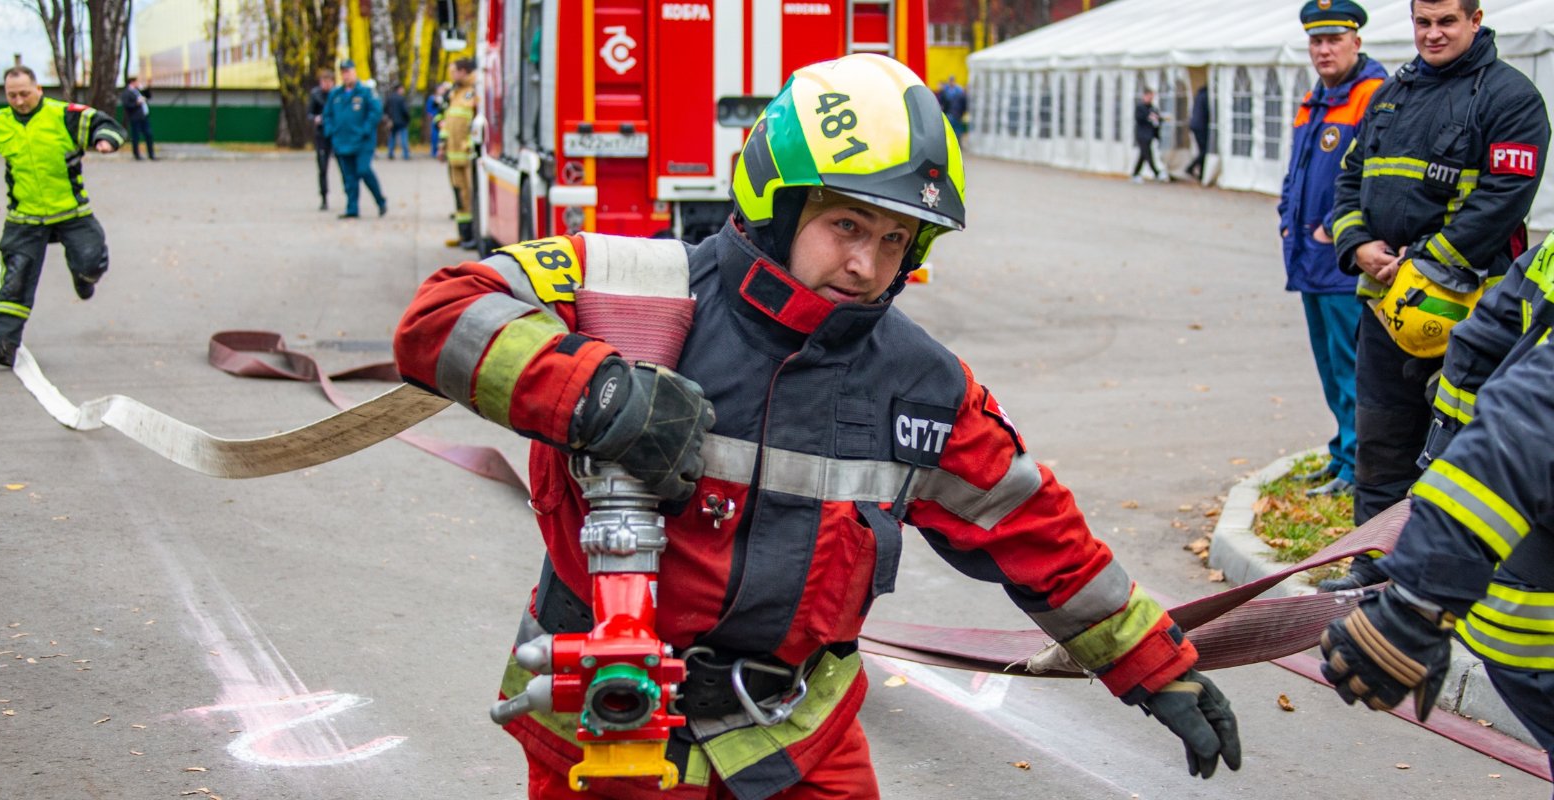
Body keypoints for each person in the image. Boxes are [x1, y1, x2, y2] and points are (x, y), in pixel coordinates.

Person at [392, 53, 1241, 799]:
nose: (867, 265)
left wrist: (1154, 666)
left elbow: (1031, 525)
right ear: (779, 200)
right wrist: (592, 388)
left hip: (792, 737)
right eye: (845, 224)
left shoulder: (922, 389)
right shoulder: (629, 291)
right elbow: (439, 319)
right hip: (611, 724)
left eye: (894, 238)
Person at [1323, 0, 1548, 590]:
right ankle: (1372, 565)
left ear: (1475, 21)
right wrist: (1359, 246)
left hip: (1471, 315)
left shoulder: (1511, 98)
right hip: (1384, 305)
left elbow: (1504, 200)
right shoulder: (1392, 95)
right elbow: (1348, 180)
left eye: (1447, 21)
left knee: (1456, 449)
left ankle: (1439, 577)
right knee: (1381, 438)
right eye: (1423, 22)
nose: (1433, 33)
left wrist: (1423, 268)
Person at [1319, 230, 1554, 780]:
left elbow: (1482, 354)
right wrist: (1418, 594)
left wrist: (1428, 509)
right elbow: (1531, 421)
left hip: (1518, 605)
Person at [1276, 0, 1388, 499]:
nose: (1323, 50)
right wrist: (1286, 221)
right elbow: (1296, 173)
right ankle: (1342, 452)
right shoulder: (1313, 98)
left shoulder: (1372, 96)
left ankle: (1358, 465)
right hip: (1308, 259)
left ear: (1355, 42)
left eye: (1333, 40)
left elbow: (1374, 177)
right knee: (1328, 363)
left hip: (1341, 259)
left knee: (1352, 366)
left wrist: (1332, 229)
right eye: (1316, 41)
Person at [0, 65, 125, 367]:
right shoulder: (0, 123)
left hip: (71, 212)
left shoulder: (63, 115)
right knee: (15, 277)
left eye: (24, 94)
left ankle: (84, 279)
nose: (18, 101)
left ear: (38, 90)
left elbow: (103, 122)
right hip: (25, 218)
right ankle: (2, 340)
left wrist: (106, 140)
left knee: (91, 259)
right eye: (12, 95)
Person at [323, 59, 388, 219]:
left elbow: (376, 112)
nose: (346, 75)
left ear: (354, 72)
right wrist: (331, 131)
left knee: (363, 170)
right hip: (342, 141)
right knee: (348, 177)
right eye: (343, 72)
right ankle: (352, 208)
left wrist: (365, 129)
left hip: (362, 142)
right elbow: (327, 115)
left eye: (348, 72)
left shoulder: (365, 92)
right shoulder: (335, 94)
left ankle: (380, 200)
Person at [438, 57, 477, 250]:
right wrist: (442, 145)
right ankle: (464, 235)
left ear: (464, 71)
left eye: (454, 71)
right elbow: (448, 120)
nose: (452, 76)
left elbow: (478, 120)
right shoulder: (455, 93)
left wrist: (471, 145)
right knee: (460, 195)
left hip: (468, 155)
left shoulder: (474, 91)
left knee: (470, 194)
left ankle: (472, 235)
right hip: (453, 155)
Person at [308, 69, 336, 211]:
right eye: (323, 82)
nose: (325, 85)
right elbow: (309, 114)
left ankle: (351, 197)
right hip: (321, 135)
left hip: (336, 135)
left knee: (345, 167)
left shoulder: (337, 94)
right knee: (322, 167)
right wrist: (315, 118)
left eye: (328, 82)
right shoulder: (316, 95)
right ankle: (324, 197)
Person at [1131, 87, 1167, 183]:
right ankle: (1157, 173)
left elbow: (1157, 119)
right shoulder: (1140, 107)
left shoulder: (1153, 108)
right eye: (1149, 96)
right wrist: (1149, 117)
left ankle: (1135, 174)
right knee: (1148, 155)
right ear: (1145, 96)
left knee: (1143, 155)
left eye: (1152, 97)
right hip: (1142, 135)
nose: (1150, 98)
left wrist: (1160, 119)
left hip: (1150, 134)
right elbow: (1139, 119)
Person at [119, 75, 155, 161]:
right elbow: (127, 105)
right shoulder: (127, 93)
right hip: (135, 117)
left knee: (149, 134)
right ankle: (137, 155)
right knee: (136, 136)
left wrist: (145, 88)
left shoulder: (138, 91)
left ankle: (151, 154)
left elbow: (148, 96)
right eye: (136, 82)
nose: (138, 83)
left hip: (144, 116)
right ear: (132, 82)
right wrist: (136, 103)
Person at [1184, 84, 1209, 181]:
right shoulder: (1205, 96)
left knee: (1202, 150)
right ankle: (1191, 167)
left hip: (1195, 125)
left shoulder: (1198, 95)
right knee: (1204, 150)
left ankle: (1201, 173)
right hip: (1201, 126)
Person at [384, 86, 411, 160]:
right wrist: (408, 119)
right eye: (402, 89)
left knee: (392, 137)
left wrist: (389, 119)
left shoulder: (389, 98)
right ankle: (406, 154)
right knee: (403, 138)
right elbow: (405, 110)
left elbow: (385, 109)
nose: (403, 91)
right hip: (402, 121)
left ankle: (390, 153)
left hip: (392, 121)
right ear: (399, 89)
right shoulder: (401, 98)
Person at [937, 75, 967, 141]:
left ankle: (957, 143)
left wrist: (962, 112)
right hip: (949, 113)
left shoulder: (958, 91)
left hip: (956, 114)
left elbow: (963, 103)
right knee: (950, 130)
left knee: (957, 130)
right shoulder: (946, 90)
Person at [426, 82, 448, 158]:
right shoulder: (432, 98)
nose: (442, 90)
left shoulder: (446, 98)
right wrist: (432, 115)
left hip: (444, 120)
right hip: (436, 120)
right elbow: (429, 109)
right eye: (440, 89)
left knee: (443, 137)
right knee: (435, 136)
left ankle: (443, 152)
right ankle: (434, 152)